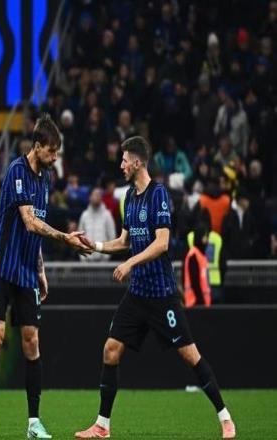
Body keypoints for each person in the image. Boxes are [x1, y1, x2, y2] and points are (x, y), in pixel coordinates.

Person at [74, 136, 236, 439]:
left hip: (162, 295)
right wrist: (94, 245)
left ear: (137, 162)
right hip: (137, 295)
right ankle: (102, 425)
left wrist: (130, 263)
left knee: (190, 356)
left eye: (124, 160)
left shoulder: (158, 194)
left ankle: (225, 418)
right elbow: (124, 241)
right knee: (110, 350)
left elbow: (162, 243)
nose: (121, 165)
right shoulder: (129, 197)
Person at [0, 114, 92, 439]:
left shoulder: (46, 178)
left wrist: (40, 270)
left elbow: (35, 231)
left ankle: (33, 423)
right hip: (1, 267)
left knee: (32, 342)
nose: (55, 157)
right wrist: (65, 238)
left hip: (26, 270)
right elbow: (29, 221)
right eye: (52, 151)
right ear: (37, 146)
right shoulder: (17, 171)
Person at [78, 188, 116, 261]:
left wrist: (107, 256)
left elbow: (112, 237)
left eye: (99, 195)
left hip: (103, 261)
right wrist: (83, 257)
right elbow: (79, 238)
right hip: (87, 260)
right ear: (90, 197)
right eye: (95, 194)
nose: (97, 197)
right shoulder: (84, 215)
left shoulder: (107, 215)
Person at [184, 224, 212, 307]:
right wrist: (201, 301)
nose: (207, 239)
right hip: (195, 302)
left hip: (202, 302)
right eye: (205, 236)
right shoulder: (193, 255)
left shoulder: (201, 255)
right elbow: (194, 281)